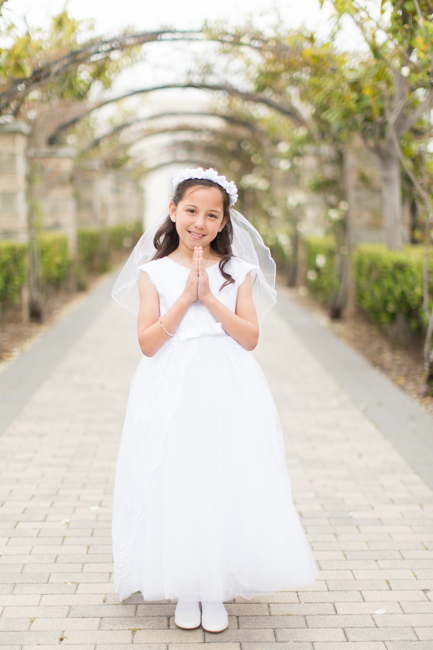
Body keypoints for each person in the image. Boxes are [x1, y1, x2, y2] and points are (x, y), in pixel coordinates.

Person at [111, 167, 318, 634]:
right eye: (191, 212)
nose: (199, 223)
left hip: (227, 382)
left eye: (211, 215)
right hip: (171, 384)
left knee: (224, 473)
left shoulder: (238, 271)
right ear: (172, 212)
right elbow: (147, 343)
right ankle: (187, 586)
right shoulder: (154, 272)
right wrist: (186, 297)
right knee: (178, 475)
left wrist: (211, 297)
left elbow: (249, 338)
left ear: (224, 221)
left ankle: (216, 586)